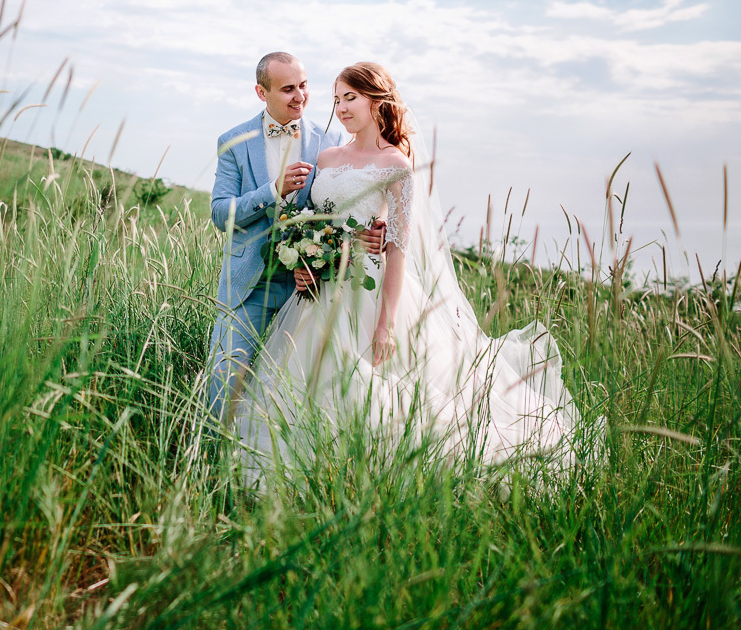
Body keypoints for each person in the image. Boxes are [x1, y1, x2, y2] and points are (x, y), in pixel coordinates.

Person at [233, 62, 589, 482]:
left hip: (368, 288)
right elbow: (314, 219)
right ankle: (313, 471)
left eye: (351, 98)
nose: (341, 108)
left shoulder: (396, 163)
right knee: (306, 383)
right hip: (319, 292)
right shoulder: (327, 157)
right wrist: (306, 258)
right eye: (336, 100)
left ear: (375, 101)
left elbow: (398, 247)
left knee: (373, 384)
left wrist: (385, 322)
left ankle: (371, 470)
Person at [207, 52, 383, 420]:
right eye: (288, 89)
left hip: (313, 289)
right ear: (261, 92)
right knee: (225, 382)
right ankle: (209, 466)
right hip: (248, 287)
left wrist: (371, 229)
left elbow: (346, 206)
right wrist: (271, 190)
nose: (300, 96)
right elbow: (221, 213)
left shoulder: (332, 139)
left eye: (304, 85)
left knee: (303, 393)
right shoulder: (234, 142)